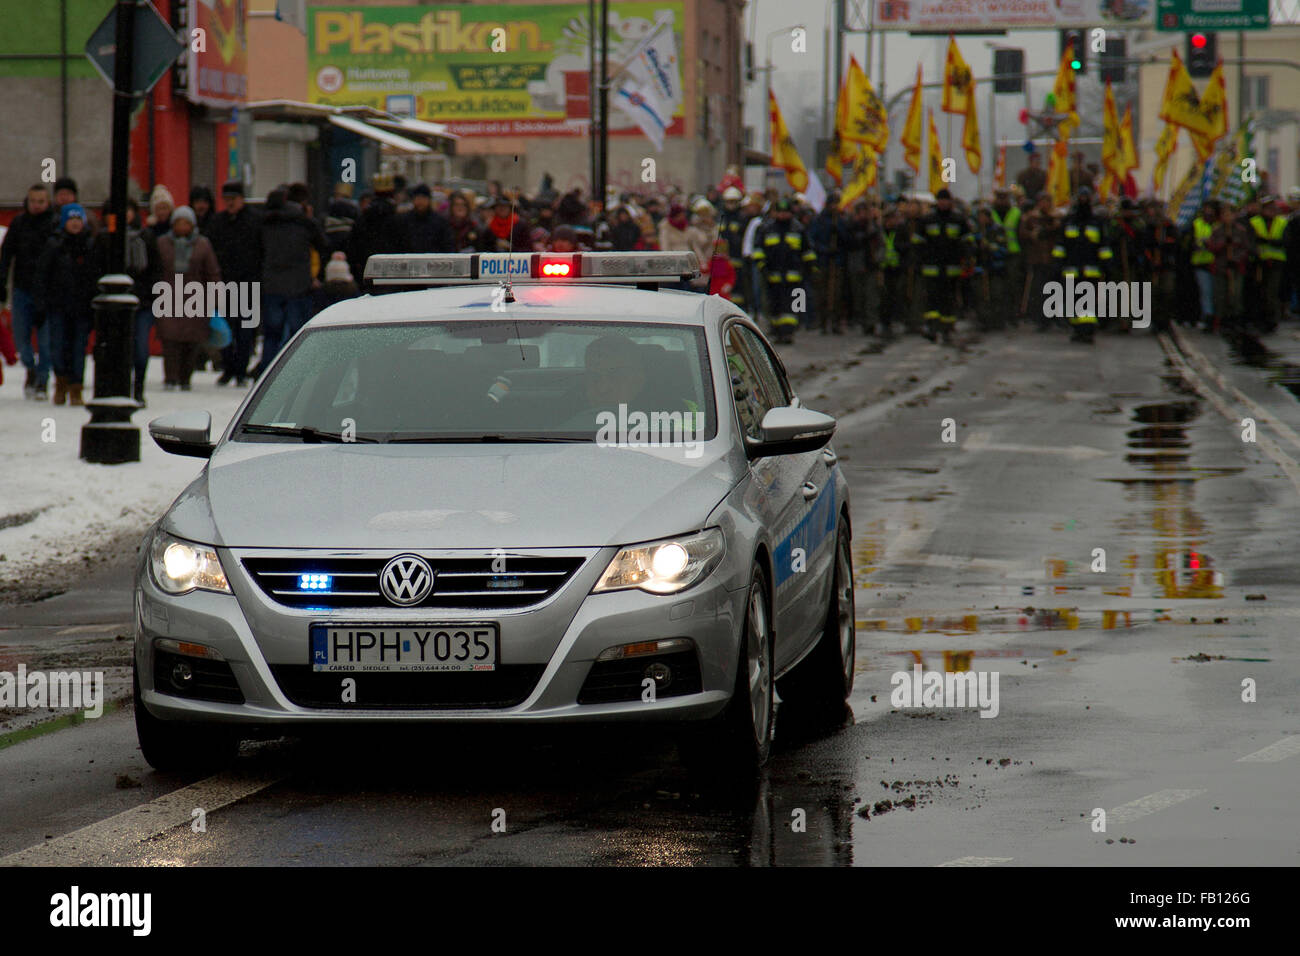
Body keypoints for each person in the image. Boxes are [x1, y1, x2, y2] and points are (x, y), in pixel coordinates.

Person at [256, 187, 328, 373]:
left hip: (272, 284)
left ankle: (267, 372)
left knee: (271, 334)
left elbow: (256, 253)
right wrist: (317, 277)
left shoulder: (264, 223)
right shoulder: (304, 222)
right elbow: (324, 247)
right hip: (299, 284)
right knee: (297, 333)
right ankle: (296, 371)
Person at [33, 203, 98, 404]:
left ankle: (76, 388)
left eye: (79, 219)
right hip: (58, 306)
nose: (76, 223)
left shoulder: (90, 245)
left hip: (82, 308)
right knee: (58, 347)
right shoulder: (53, 245)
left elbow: (95, 276)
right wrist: (41, 304)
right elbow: (42, 276)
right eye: (72, 219)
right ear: (64, 222)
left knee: (79, 349)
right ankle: (61, 384)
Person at [155, 206, 220, 390]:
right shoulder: (162, 243)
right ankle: (170, 377)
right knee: (170, 340)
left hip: (196, 299)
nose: (182, 227)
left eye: (186, 223)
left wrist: (214, 297)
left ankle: (185, 378)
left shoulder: (202, 244)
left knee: (192, 341)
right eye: (178, 223)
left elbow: (212, 273)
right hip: (167, 297)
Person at [0, 184, 56, 398]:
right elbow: (6, 255)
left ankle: (42, 380)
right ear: (27, 201)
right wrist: (2, 283)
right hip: (22, 288)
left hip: (48, 291)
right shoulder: (19, 223)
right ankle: (30, 368)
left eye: (41, 201)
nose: (37, 205)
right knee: (21, 337)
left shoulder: (53, 224)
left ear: (47, 202)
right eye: (33, 201)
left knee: (45, 340)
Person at [206, 181, 262, 386]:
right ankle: (228, 367)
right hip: (225, 284)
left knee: (245, 331)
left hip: (249, 284)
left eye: (233, 199)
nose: (229, 203)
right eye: (226, 199)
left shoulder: (255, 221)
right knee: (226, 328)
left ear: (241, 199)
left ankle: (240, 370)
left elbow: (260, 252)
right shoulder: (217, 222)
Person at [1051, 187, 1112, 344]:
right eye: (1081, 198)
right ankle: (1078, 330)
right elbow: (1060, 245)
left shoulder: (1097, 222)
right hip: (1071, 270)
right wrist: (1057, 263)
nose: (1083, 201)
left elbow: (1103, 246)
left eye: (1086, 198)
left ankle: (1088, 330)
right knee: (1072, 302)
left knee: (1088, 303)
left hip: (1090, 271)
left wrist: (1106, 265)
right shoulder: (1068, 222)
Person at [751, 198, 815, 344]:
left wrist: (808, 267)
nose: (782, 215)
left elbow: (807, 251)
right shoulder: (766, 228)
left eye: (785, 212)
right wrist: (762, 266)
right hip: (773, 275)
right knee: (774, 304)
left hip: (793, 276)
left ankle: (788, 332)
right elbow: (758, 249)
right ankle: (777, 331)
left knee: (791, 305)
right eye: (780, 212)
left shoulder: (798, 229)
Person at [917, 188, 973, 343]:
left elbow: (967, 242)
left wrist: (967, 258)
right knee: (932, 299)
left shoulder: (959, 220)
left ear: (950, 201)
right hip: (931, 267)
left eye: (946, 200)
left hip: (951, 267)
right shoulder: (927, 219)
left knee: (948, 299)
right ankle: (932, 328)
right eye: (940, 200)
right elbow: (918, 243)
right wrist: (920, 260)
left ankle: (947, 328)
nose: (943, 203)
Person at [1248, 194, 1287, 333]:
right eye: (1268, 208)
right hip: (1259, 262)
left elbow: (1285, 241)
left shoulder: (1282, 222)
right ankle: (1259, 319)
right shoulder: (1255, 222)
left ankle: (1271, 320)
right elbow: (1251, 241)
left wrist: (1266, 241)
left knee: (1272, 292)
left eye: (1273, 207)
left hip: (1276, 262)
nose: (1271, 210)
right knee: (1258, 291)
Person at [1021, 192, 1060, 331]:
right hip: (1037, 259)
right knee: (1039, 290)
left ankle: (1053, 317)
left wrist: (1049, 229)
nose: (1045, 204)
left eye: (1047, 201)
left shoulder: (1055, 218)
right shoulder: (1032, 218)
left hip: (1051, 259)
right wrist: (1032, 234)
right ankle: (1040, 318)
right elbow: (1023, 233)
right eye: (1042, 201)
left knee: (1053, 290)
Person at [400, 183, 455, 253]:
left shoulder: (440, 222)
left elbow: (447, 245)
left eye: (423, 198)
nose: (420, 201)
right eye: (417, 198)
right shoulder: (404, 221)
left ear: (429, 200)